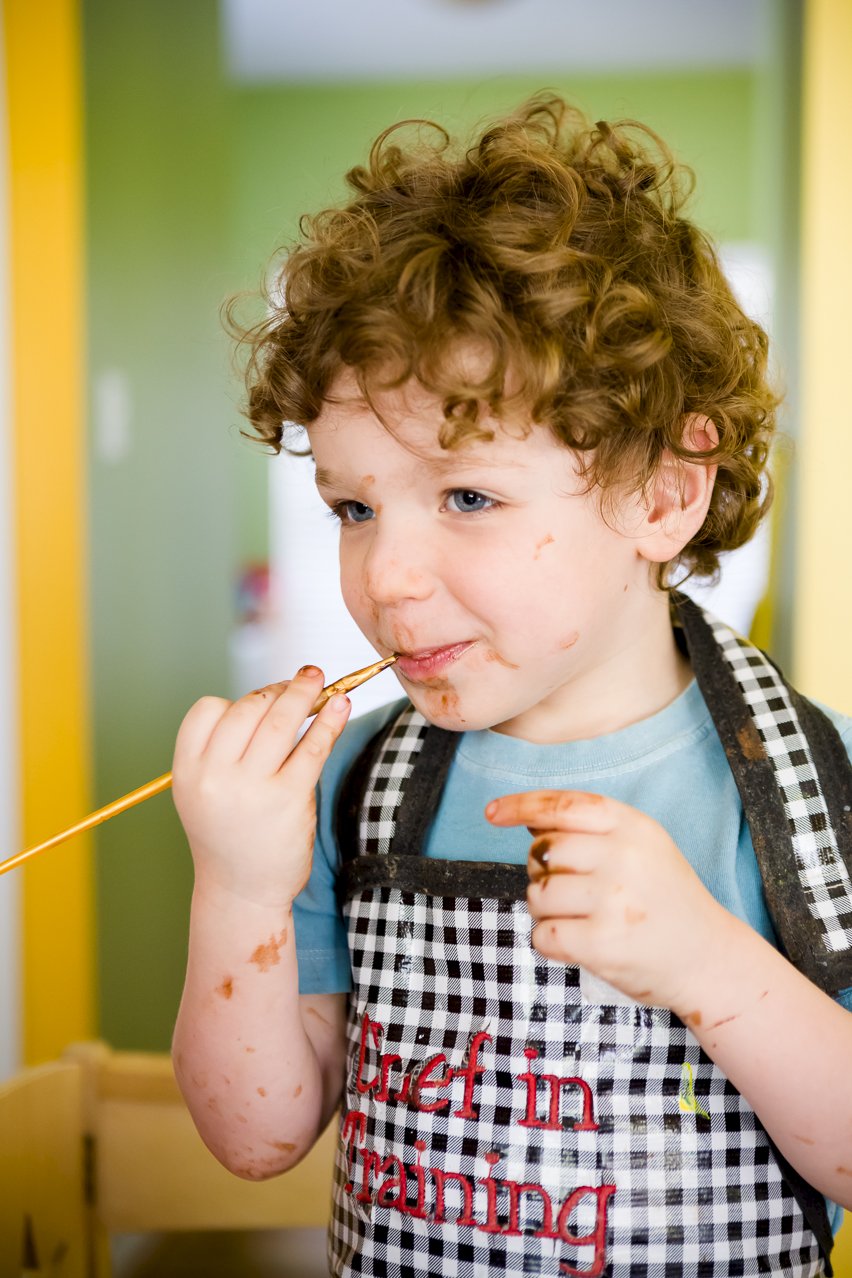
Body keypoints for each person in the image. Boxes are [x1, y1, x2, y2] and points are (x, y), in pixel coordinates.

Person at [171, 96, 852, 1277]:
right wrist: (236, 886)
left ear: (661, 495)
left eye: (469, 496)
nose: (385, 573)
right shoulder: (352, 785)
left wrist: (706, 962)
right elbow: (256, 1136)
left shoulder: (814, 787)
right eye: (353, 506)